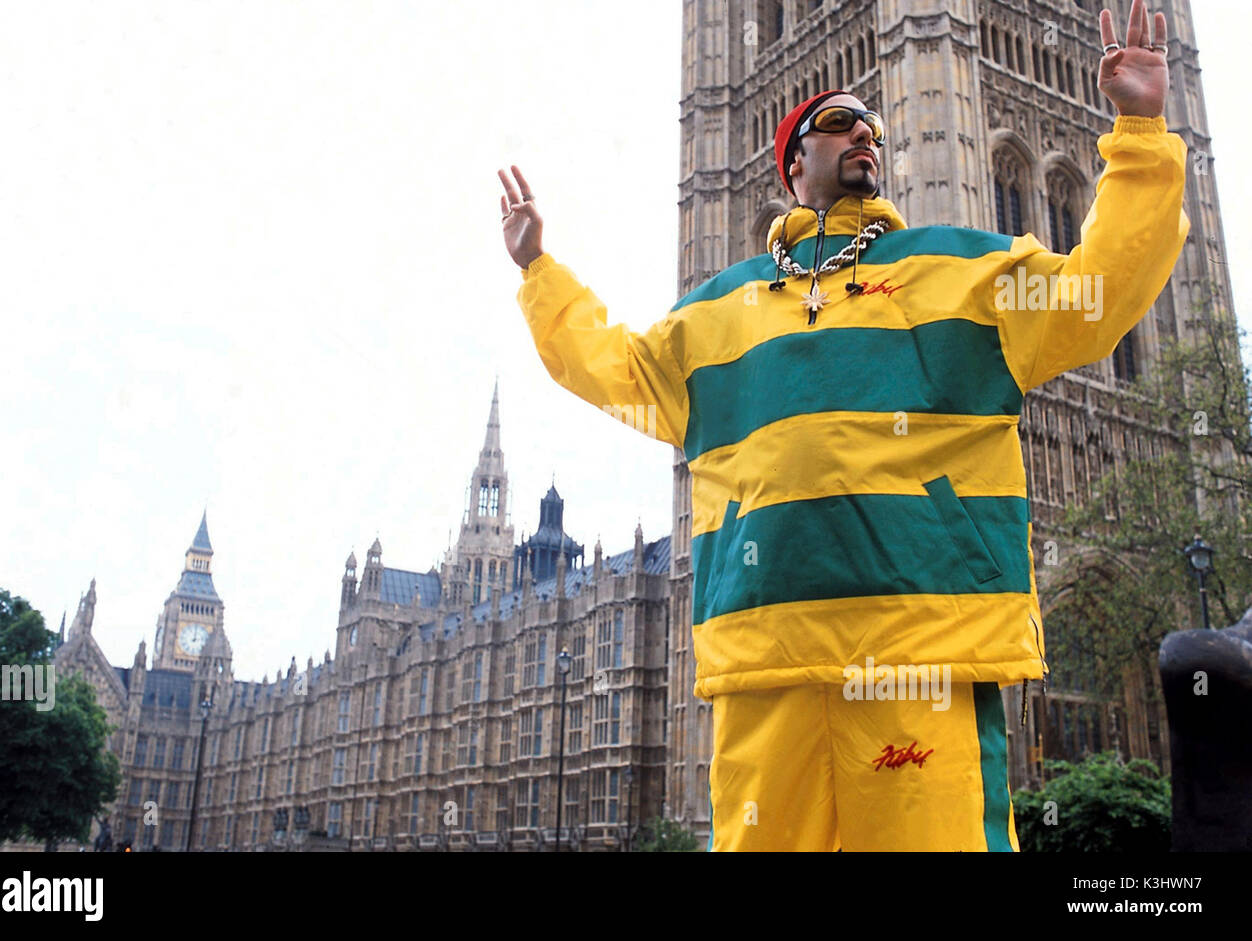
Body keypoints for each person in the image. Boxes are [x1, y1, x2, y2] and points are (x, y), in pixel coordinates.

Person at [498, 0, 1188, 851]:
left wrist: (1142, 132)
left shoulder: (957, 269)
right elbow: (609, 368)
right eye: (839, 123)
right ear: (791, 166)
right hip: (767, 663)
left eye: (874, 126)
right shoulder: (719, 311)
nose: (866, 133)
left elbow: (1104, 289)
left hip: (920, 656)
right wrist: (539, 271)